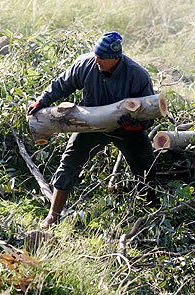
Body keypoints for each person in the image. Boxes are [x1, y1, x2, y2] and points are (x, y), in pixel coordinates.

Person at [27, 31, 157, 229]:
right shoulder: (86, 64)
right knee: (69, 163)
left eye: (102, 58)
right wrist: (42, 101)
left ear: (116, 58)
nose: (97, 61)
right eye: (96, 55)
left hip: (126, 130)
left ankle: (149, 217)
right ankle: (52, 217)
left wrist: (138, 127)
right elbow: (62, 84)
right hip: (90, 126)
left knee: (146, 169)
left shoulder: (137, 75)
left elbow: (148, 112)